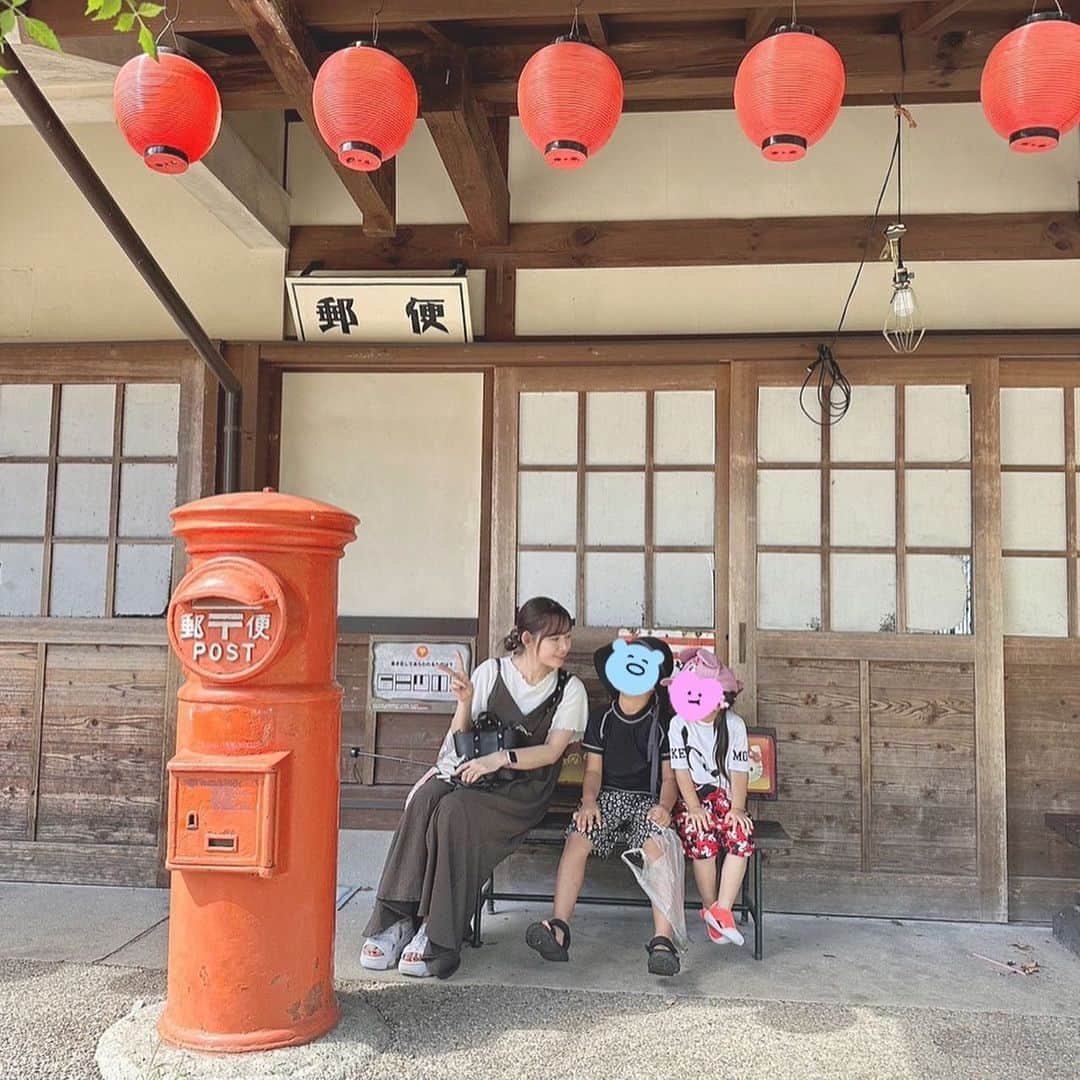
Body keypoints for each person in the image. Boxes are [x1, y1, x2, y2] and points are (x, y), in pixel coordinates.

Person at [360, 597, 588, 979]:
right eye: (556, 639)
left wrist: (500, 760)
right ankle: (396, 920)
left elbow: (551, 753)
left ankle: (437, 932)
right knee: (427, 799)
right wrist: (464, 703)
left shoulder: (570, 689)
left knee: (453, 812)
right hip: (475, 777)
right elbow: (458, 735)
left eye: (568, 637)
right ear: (529, 639)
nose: (565, 647)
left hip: (523, 791)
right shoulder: (491, 672)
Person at [525, 637, 683, 976]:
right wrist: (587, 803)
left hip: (649, 801)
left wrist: (665, 808)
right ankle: (559, 928)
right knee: (578, 839)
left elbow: (670, 779)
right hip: (608, 796)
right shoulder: (603, 718)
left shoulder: (666, 722)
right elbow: (593, 771)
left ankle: (662, 942)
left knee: (658, 847)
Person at [665, 648, 754, 947]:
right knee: (699, 832)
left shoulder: (734, 726)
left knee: (740, 834)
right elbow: (680, 771)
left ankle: (723, 911)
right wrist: (692, 806)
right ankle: (710, 904)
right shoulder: (679, 725)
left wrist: (738, 808)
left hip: (726, 798)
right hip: (694, 798)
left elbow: (740, 771)